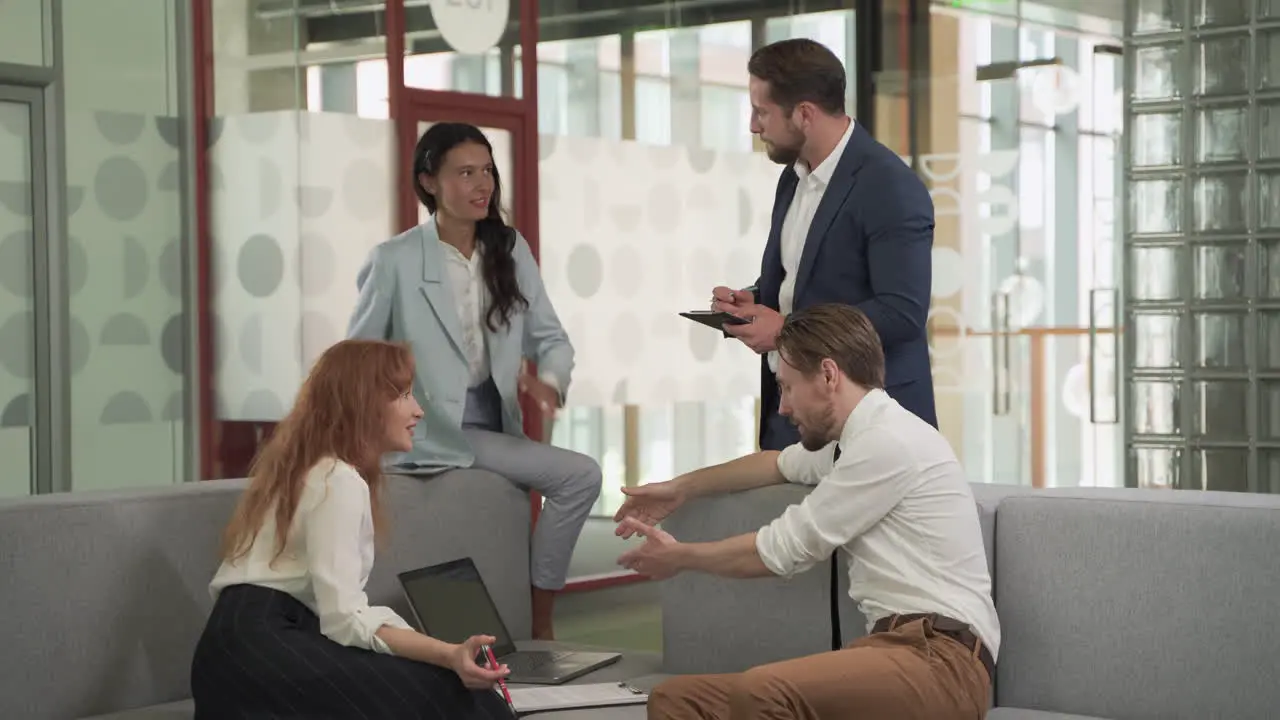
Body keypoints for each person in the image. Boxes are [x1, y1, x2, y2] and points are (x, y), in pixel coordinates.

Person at [614, 304, 997, 719]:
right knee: (677, 700)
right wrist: (679, 488)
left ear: (829, 375)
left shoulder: (888, 443)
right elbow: (776, 463)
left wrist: (680, 558)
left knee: (761, 691)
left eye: (788, 387)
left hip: (941, 662)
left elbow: (780, 550)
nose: (782, 407)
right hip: (887, 652)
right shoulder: (853, 443)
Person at [347, 122, 600, 640]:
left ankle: (537, 613)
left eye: (487, 171)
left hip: (491, 425)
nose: (482, 184)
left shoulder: (509, 249)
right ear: (429, 182)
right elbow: (357, 360)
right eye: (465, 173)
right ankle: (542, 624)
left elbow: (551, 337)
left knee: (578, 478)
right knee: (580, 476)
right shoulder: (394, 259)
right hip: (430, 429)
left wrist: (548, 380)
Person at [190, 339, 514, 720]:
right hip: (264, 651)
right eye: (404, 396)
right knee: (452, 692)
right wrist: (447, 653)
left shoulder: (304, 470)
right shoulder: (336, 479)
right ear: (365, 405)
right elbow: (344, 618)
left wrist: (440, 651)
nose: (418, 410)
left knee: (448, 687)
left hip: (231, 652)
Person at [711, 38, 937, 451]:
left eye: (762, 112)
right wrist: (755, 299)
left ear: (804, 114)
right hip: (796, 415)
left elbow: (901, 311)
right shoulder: (793, 178)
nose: (753, 126)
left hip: (872, 424)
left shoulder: (889, 186)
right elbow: (807, 279)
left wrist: (786, 330)